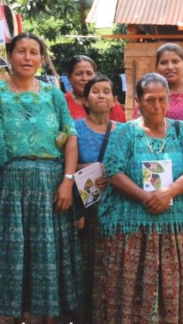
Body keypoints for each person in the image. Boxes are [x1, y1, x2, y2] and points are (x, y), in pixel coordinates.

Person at [0, 33, 83, 323]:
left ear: (42, 59)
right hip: (7, 184)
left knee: (46, 254)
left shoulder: (53, 94)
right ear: (9, 56)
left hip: (50, 184)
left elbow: (70, 136)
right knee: (14, 253)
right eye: (21, 51)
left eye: (34, 52)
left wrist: (68, 181)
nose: (27, 58)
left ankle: (47, 318)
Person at [96, 72, 183, 323]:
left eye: (162, 99)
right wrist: (145, 197)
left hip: (173, 229)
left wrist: (168, 192)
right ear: (137, 101)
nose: (157, 106)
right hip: (131, 230)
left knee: (170, 292)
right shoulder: (126, 132)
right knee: (131, 291)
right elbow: (113, 170)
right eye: (149, 100)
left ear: (169, 99)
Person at [73, 75, 121, 324]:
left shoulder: (124, 131)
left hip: (116, 207)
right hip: (85, 207)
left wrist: (112, 175)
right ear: (85, 99)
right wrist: (93, 168)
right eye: (95, 91)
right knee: (86, 260)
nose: (101, 95)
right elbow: (65, 165)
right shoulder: (74, 129)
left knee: (111, 261)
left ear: (115, 100)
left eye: (106, 92)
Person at [134, 43, 183, 128]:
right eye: (164, 63)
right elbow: (137, 126)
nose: (170, 67)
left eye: (175, 61)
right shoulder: (148, 93)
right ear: (156, 67)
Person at [64, 54, 126, 122]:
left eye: (89, 73)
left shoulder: (108, 100)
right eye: (79, 74)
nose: (85, 78)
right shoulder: (62, 102)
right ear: (69, 78)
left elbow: (122, 129)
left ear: (95, 76)